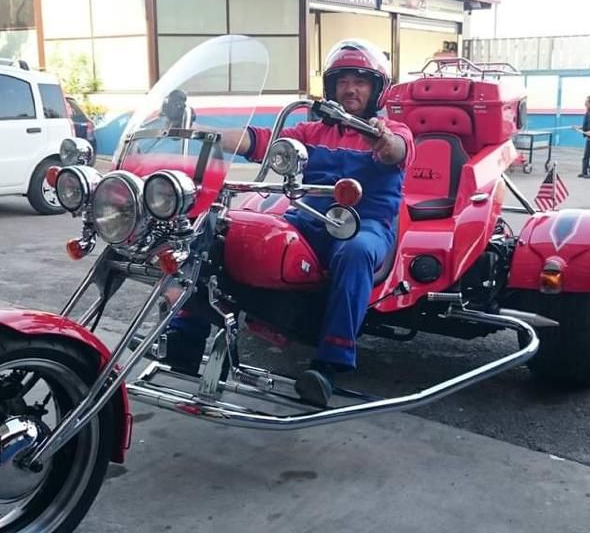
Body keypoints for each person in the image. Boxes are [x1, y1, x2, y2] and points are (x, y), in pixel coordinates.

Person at [162, 39, 415, 407]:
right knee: (217, 230)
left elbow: (397, 151)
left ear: (377, 89)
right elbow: (257, 141)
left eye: (360, 80)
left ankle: (329, 365)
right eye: (342, 80)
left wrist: (382, 137)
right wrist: (195, 127)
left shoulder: (393, 130)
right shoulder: (311, 133)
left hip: (365, 225)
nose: (350, 88)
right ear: (330, 88)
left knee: (356, 252)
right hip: (309, 220)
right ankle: (186, 338)